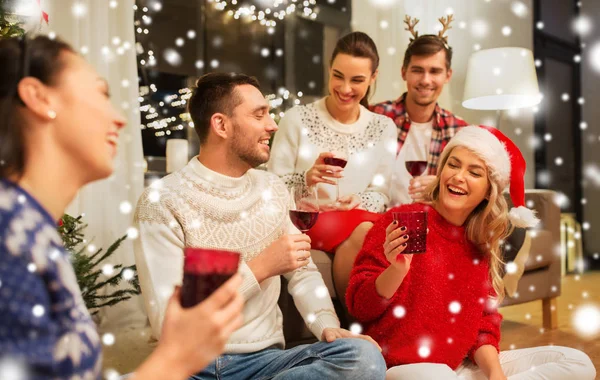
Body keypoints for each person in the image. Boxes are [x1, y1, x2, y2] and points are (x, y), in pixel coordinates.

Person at [0, 35, 244, 380]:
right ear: (39, 97)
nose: (120, 119)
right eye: (101, 94)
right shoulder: (9, 235)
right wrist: (174, 360)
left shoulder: (32, 230)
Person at [133, 72, 387, 380]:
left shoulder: (272, 189)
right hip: (192, 365)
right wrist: (259, 268)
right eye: (259, 115)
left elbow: (303, 272)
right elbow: (167, 324)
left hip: (267, 364)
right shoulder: (162, 201)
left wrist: (327, 325)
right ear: (221, 125)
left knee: (364, 358)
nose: (273, 125)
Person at [346, 126, 596, 380]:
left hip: (460, 367)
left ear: (489, 190)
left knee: (577, 363)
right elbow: (359, 306)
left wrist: (496, 375)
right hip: (404, 370)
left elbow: (483, 327)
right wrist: (396, 270)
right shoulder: (402, 221)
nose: (458, 176)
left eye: (474, 172)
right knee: (437, 376)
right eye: (453, 165)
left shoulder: (481, 243)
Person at [267, 31, 396, 302]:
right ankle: (361, 326)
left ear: (373, 78)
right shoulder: (297, 119)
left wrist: (358, 200)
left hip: (357, 219)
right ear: (329, 69)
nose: (345, 88)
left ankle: (359, 324)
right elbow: (271, 186)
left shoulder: (383, 127)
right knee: (368, 233)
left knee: (371, 231)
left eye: (357, 80)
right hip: (309, 220)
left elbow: (382, 192)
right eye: (338, 76)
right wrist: (307, 178)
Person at [370, 15, 468, 206]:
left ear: (448, 75)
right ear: (403, 72)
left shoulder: (459, 131)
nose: (425, 80)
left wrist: (442, 188)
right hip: (376, 221)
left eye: (434, 71)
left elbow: (469, 193)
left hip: (431, 226)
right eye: (417, 70)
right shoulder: (376, 116)